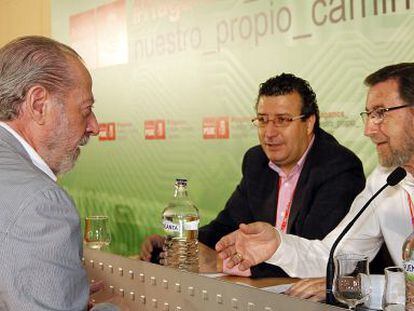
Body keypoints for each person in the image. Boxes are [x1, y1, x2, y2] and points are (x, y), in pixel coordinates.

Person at [216, 62, 414, 299]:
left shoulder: (339, 166)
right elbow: (334, 257)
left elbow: (352, 280)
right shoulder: (384, 180)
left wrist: (358, 285)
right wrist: (278, 246)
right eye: (369, 115)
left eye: (381, 113)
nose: (368, 130)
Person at [141, 73, 365, 278]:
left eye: (282, 120)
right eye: (263, 120)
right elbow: (227, 224)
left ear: (309, 123)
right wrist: (180, 245)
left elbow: (313, 256)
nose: (269, 132)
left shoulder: (339, 168)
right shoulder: (256, 161)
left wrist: (220, 263)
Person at [0, 36, 99, 310]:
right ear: (38, 104)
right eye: (86, 110)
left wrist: (59, 291)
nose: (94, 126)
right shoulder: (40, 203)